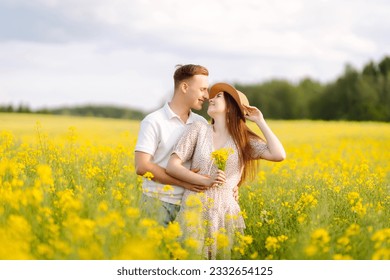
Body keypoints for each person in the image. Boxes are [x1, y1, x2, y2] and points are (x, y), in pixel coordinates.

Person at [166, 82, 286, 259]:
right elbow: (172, 165)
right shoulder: (198, 129)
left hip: (226, 213)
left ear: (231, 108)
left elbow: (278, 155)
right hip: (194, 210)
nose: (211, 99)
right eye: (212, 97)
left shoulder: (243, 141)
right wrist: (204, 180)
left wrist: (260, 121)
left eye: (218, 97)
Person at [135, 65, 238, 227]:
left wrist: (231, 187)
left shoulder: (201, 123)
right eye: (202, 89)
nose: (206, 96)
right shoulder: (153, 121)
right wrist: (184, 183)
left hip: (193, 206)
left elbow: (213, 163)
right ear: (184, 87)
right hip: (157, 203)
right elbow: (142, 166)